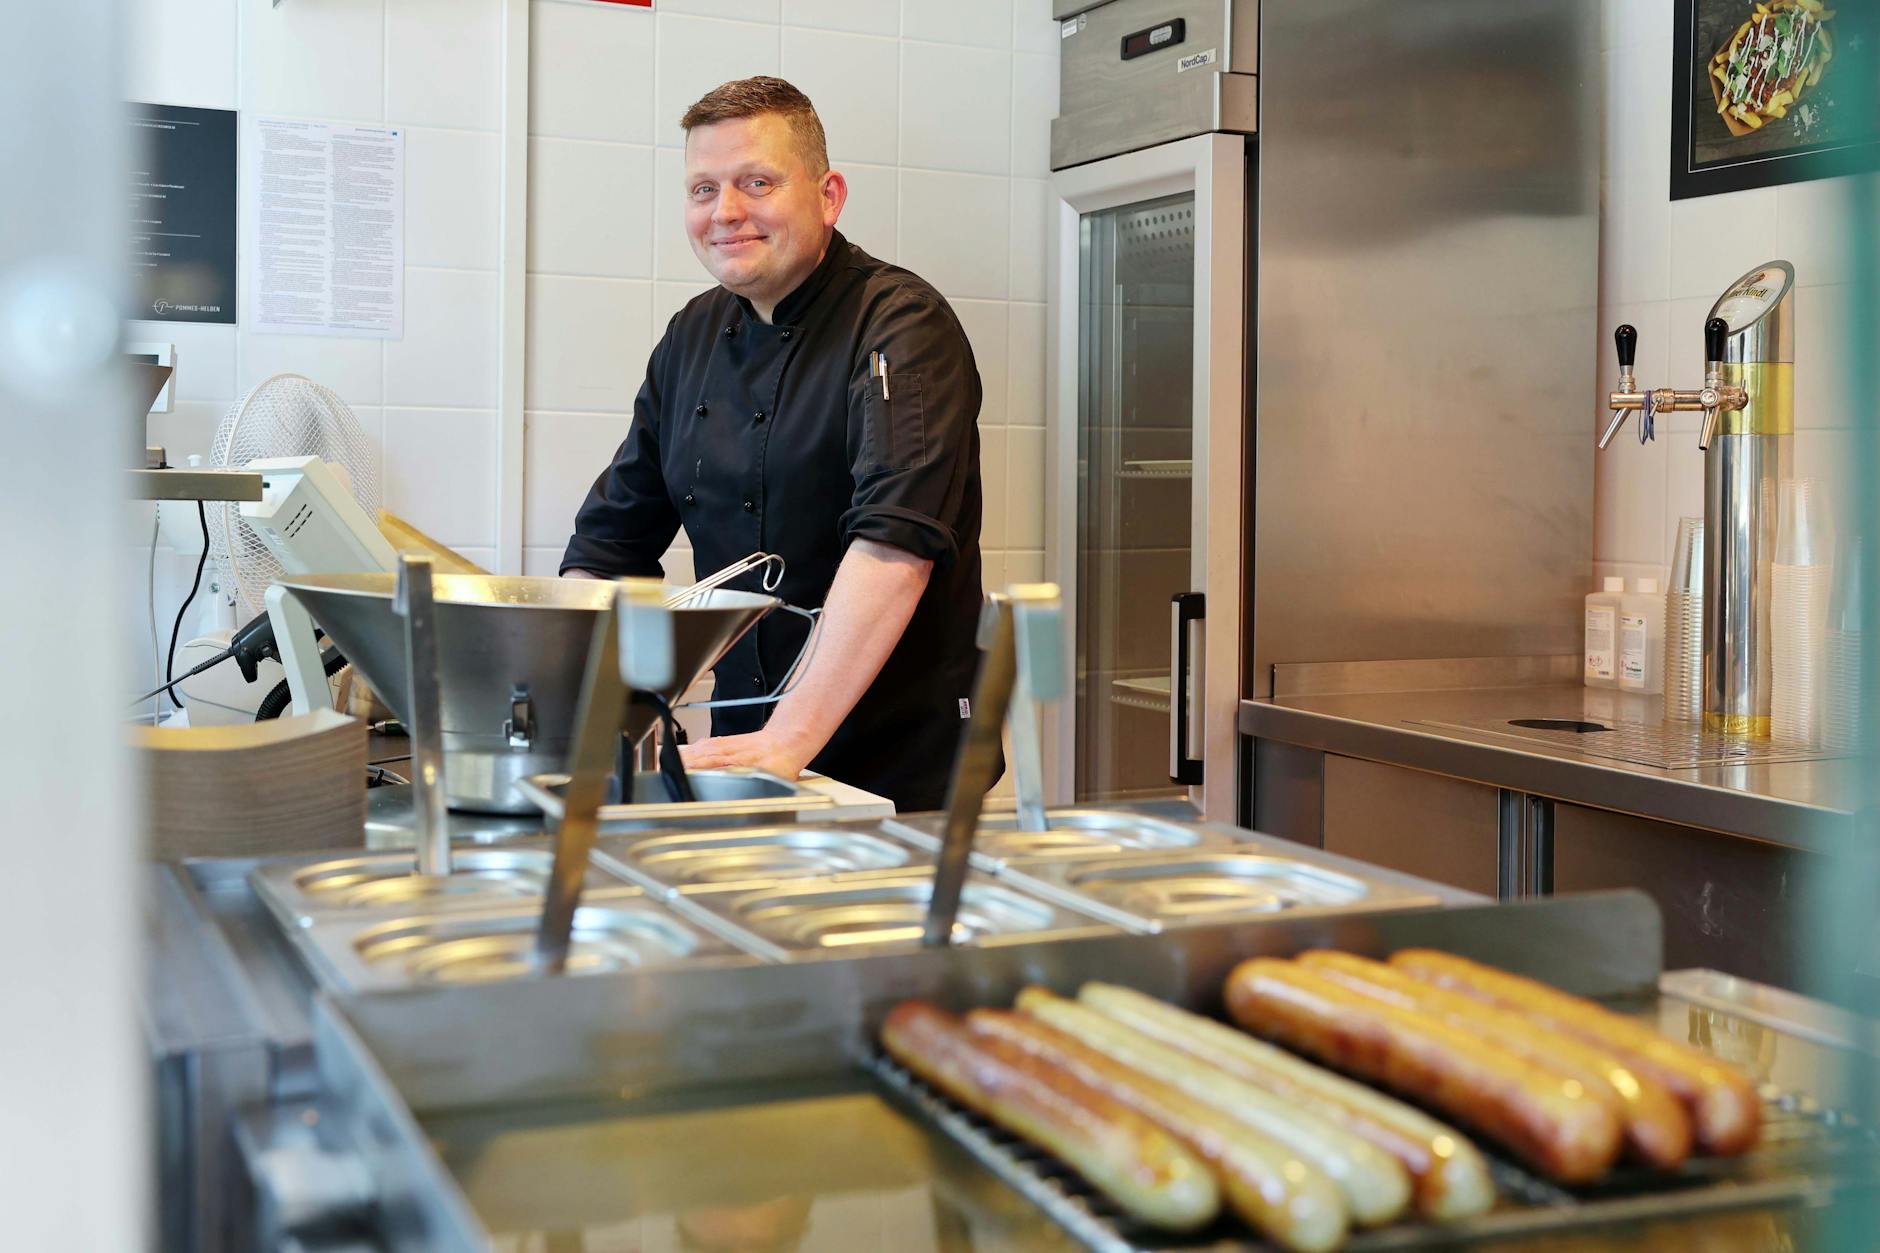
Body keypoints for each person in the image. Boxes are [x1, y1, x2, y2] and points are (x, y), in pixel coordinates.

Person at [561, 76, 990, 812]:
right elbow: (608, 546)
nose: (726, 212)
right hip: (747, 753)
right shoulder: (691, 335)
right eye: (703, 190)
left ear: (828, 196)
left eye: (756, 182)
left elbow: (895, 549)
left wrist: (793, 737)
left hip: (893, 768)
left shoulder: (902, 326)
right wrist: (569, 709)